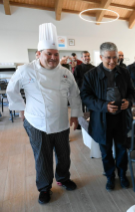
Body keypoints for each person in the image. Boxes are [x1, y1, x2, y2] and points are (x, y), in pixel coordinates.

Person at [6, 23, 83, 204]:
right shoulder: (25, 70)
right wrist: (21, 108)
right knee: (43, 158)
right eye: (49, 53)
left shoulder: (65, 72)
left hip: (61, 122)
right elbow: (11, 90)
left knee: (64, 155)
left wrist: (75, 114)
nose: (53, 58)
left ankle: (63, 178)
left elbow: (75, 93)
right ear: (38, 54)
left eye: (56, 54)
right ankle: (44, 188)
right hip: (36, 123)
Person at [81, 42, 135, 191]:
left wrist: (129, 102)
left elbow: (132, 92)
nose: (112, 61)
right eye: (108, 58)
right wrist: (103, 106)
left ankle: (123, 175)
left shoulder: (124, 72)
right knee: (105, 152)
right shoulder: (90, 75)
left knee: (121, 149)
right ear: (100, 57)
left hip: (121, 118)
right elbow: (85, 97)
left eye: (115, 58)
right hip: (102, 120)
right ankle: (110, 176)